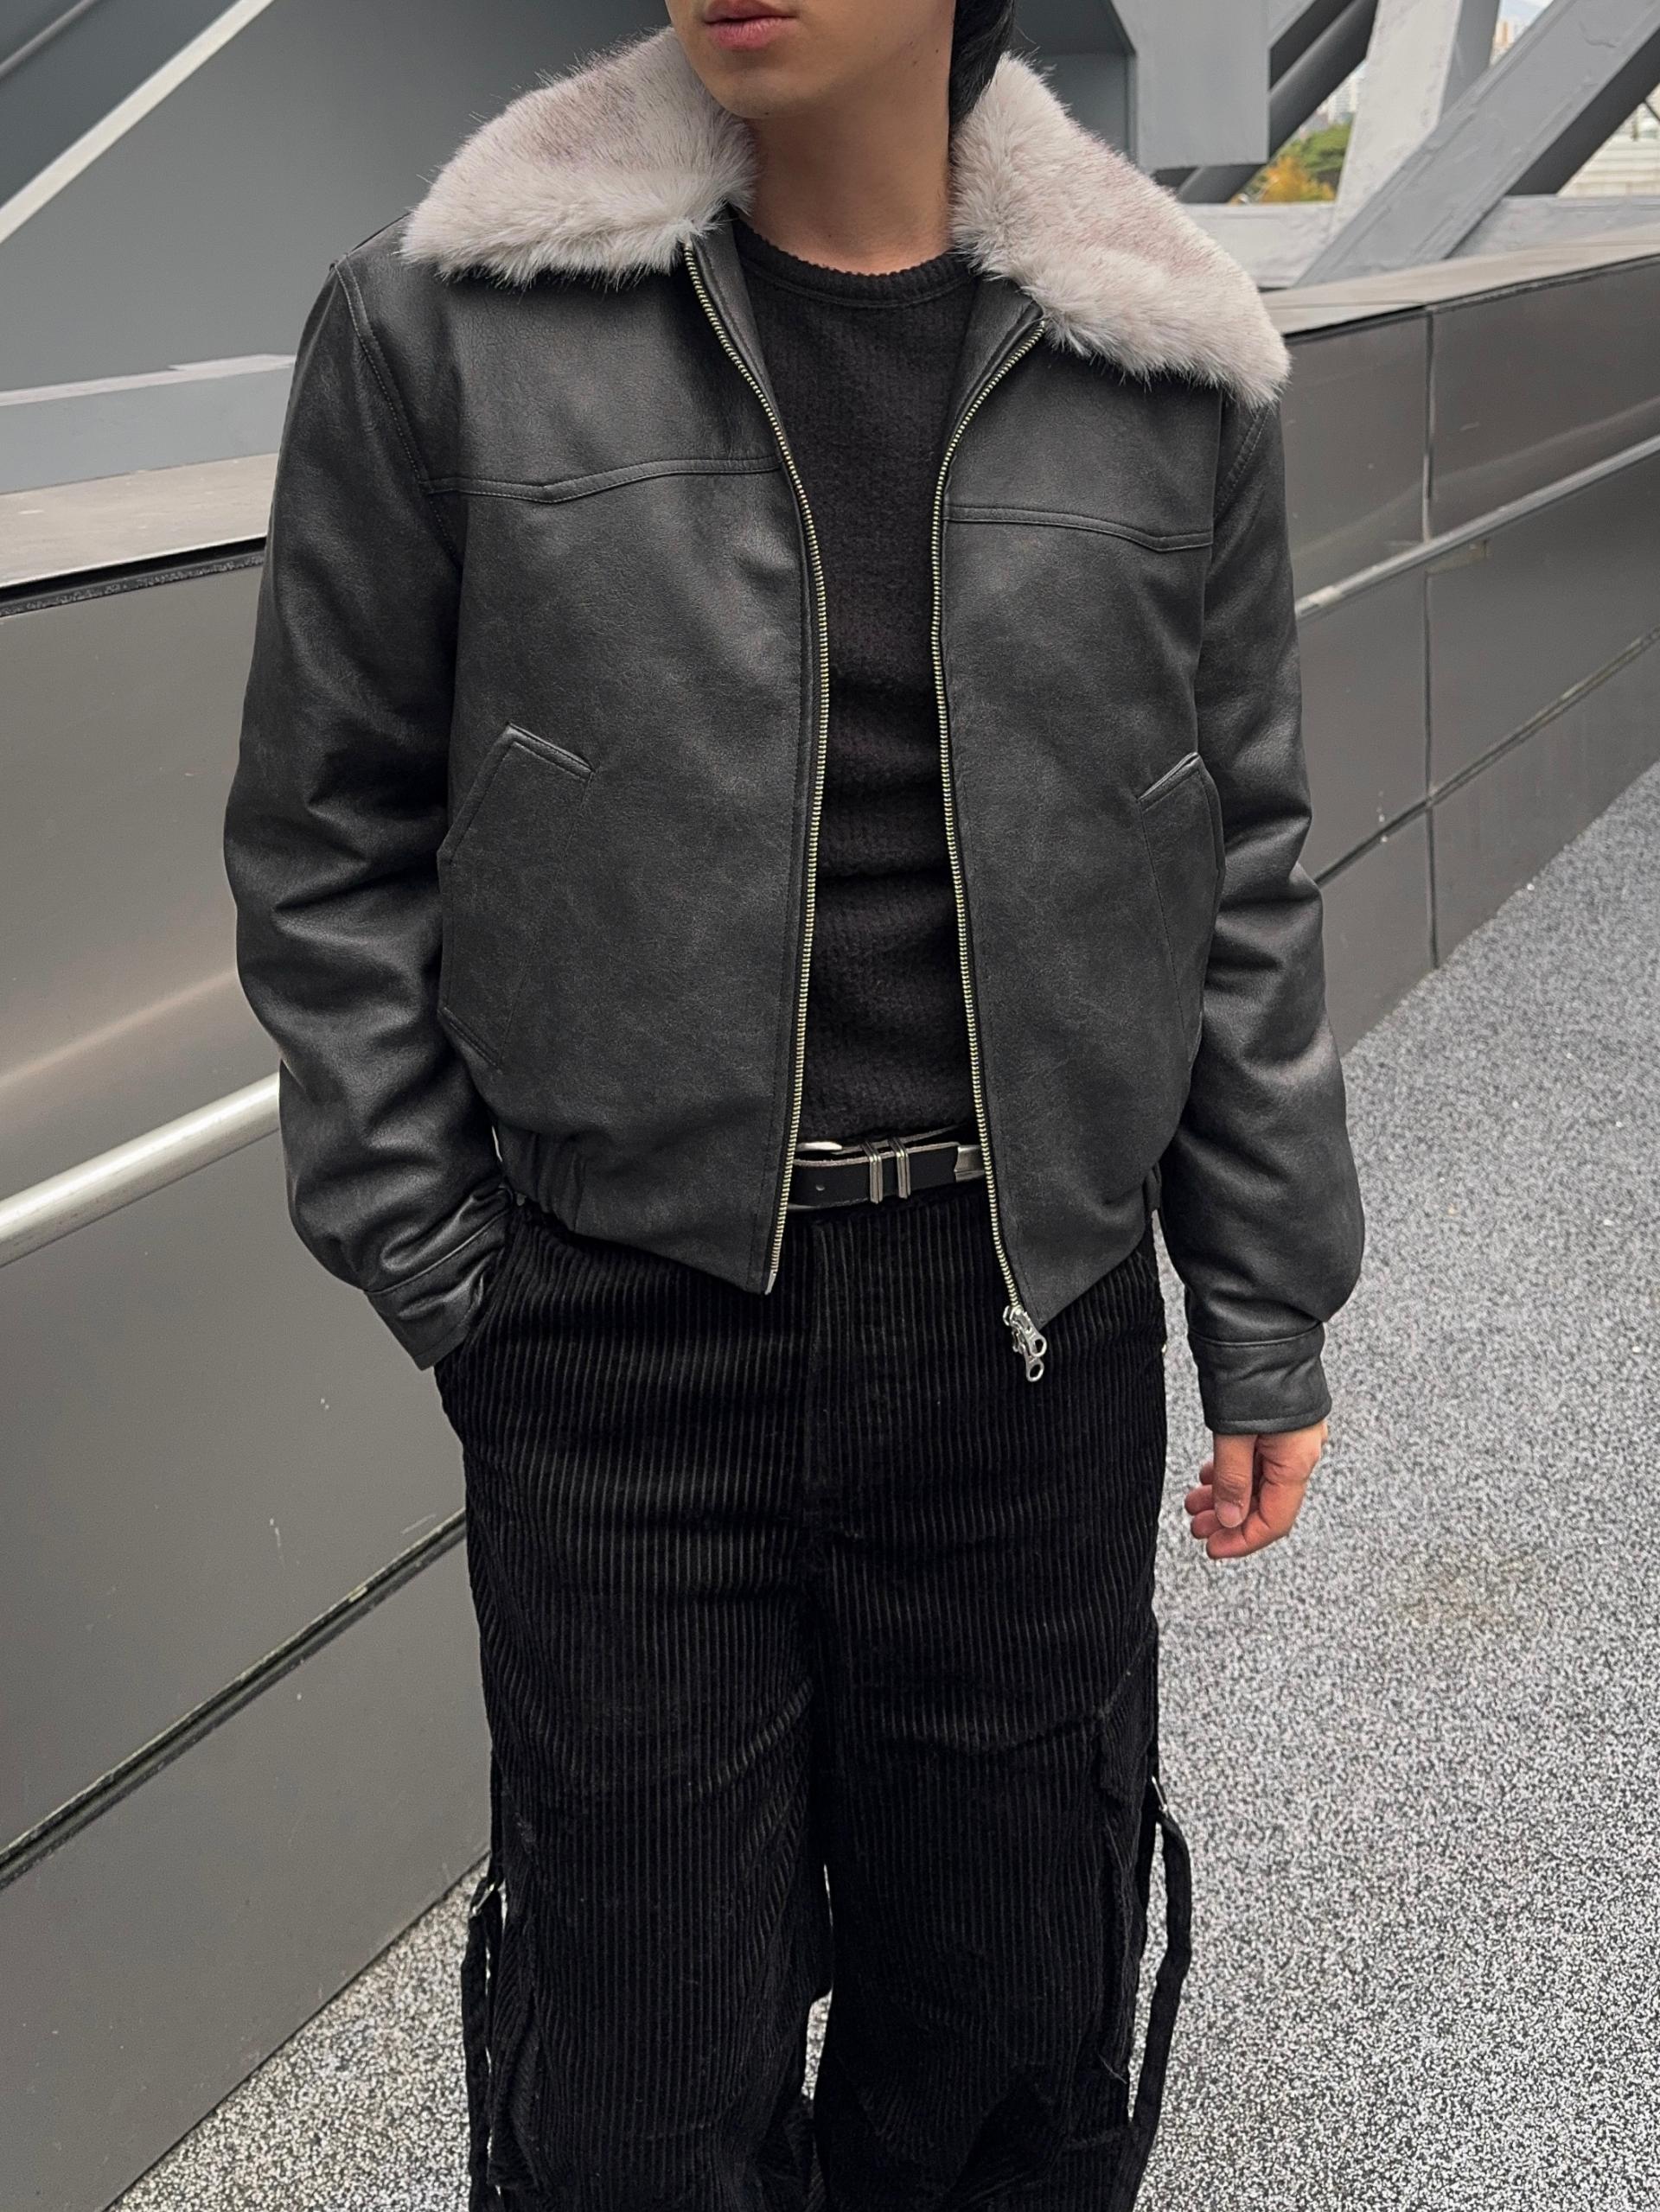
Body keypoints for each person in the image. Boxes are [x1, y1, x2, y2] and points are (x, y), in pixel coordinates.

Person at [222, 3, 1366, 2204]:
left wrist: (1268, 1303)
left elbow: (1229, 860)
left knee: (1010, 2044)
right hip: (620, 1335)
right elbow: (325, 836)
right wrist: (455, 1271)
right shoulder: (446, 328)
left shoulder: (1161, 359)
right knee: (635, 2086)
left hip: (1023, 1329)